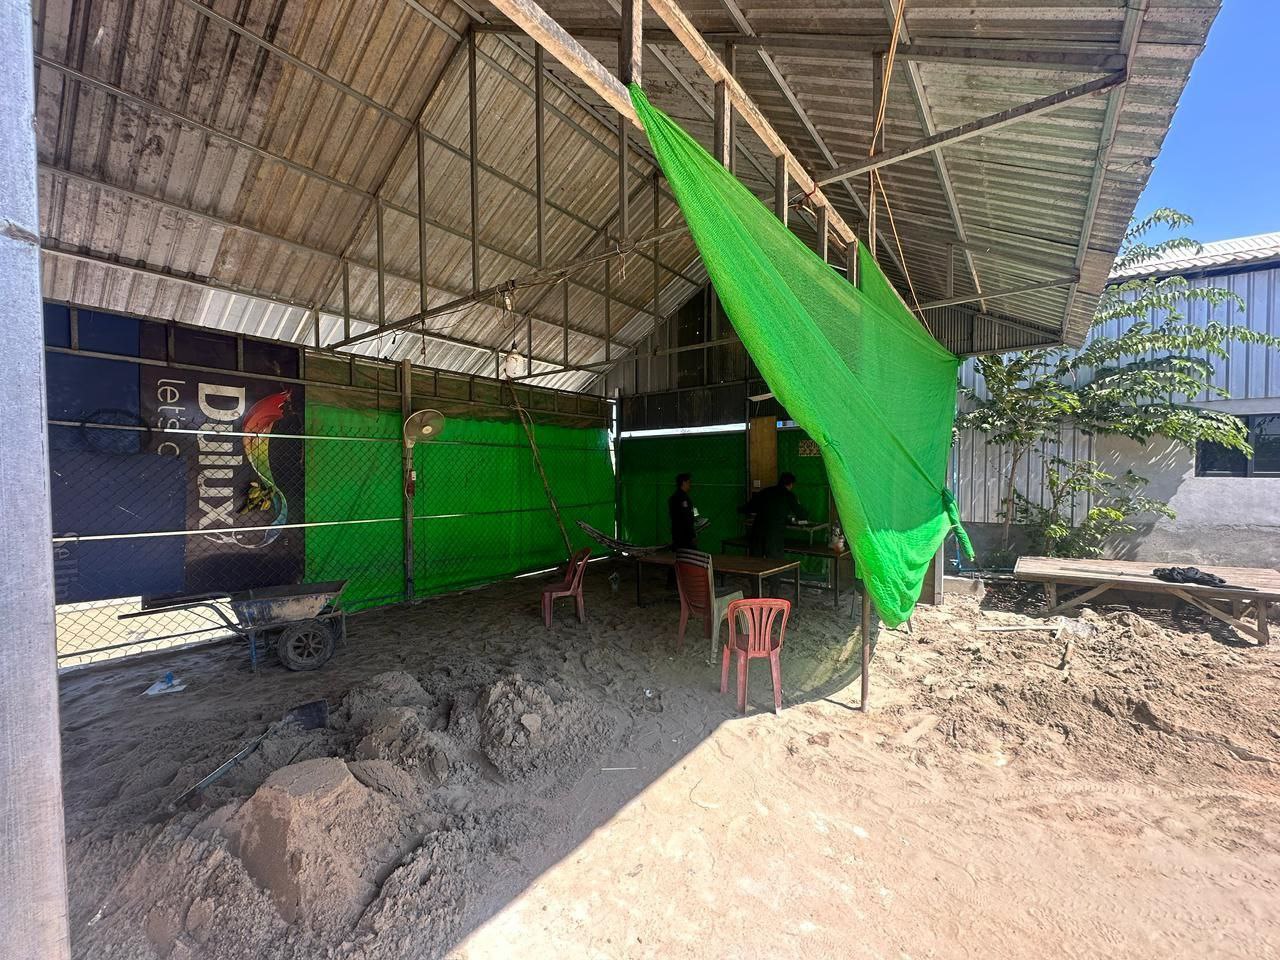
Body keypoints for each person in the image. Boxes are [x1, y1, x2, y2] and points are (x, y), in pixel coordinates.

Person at [740, 472, 807, 559]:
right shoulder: (789, 496)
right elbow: (801, 514)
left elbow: (749, 507)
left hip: (758, 529)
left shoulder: (765, 491)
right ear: (791, 484)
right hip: (774, 532)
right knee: (774, 560)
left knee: (755, 559)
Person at [668, 472, 698, 549]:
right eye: (689, 482)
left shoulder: (681, 497)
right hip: (683, 535)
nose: (690, 484)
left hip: (680, 534)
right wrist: (692, 534)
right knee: (687, 552)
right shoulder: (679, 497)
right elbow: (685, 518)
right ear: (684, 483)